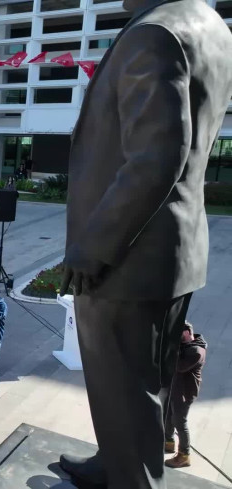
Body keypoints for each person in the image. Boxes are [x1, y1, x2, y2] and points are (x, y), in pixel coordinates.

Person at [58, 0, 232, 486]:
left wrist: (93, 247)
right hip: (173, 251)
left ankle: (131, 476)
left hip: (127, 258)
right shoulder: (211, 25)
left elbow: (156, 156)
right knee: (146, 384)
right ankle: (116, 461)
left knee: (123, 387)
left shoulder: (154, 32)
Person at [164, 321, 207, 469]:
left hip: (184, 392)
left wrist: (170, 348)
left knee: (179, 422)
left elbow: (179, 366)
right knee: (168, 415)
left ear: (188, 332)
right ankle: (168, 442)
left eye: (179, 334)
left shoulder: (196, 351)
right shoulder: (186, 346)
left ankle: (184, 455)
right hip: (175, 388)